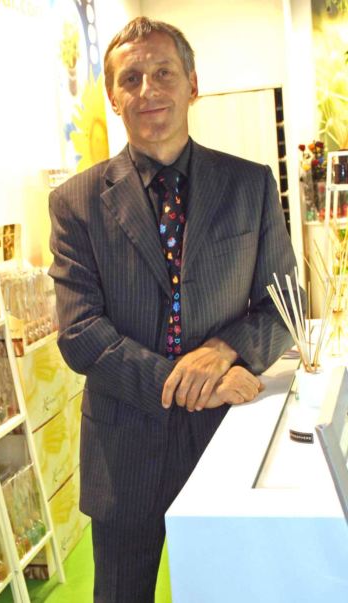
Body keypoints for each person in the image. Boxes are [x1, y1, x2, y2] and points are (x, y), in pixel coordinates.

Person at [48, 17, 295, 602]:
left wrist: (224, 350)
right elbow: (81, 333)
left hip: (228, 440)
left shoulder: (250, 185)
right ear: (113, 97)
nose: (148, 90)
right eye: (130, 78)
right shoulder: (76, 203)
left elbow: (284, 304)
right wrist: (187, 381)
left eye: (163, 73)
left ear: (193, 84)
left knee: (226, 592)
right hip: (124, 451)